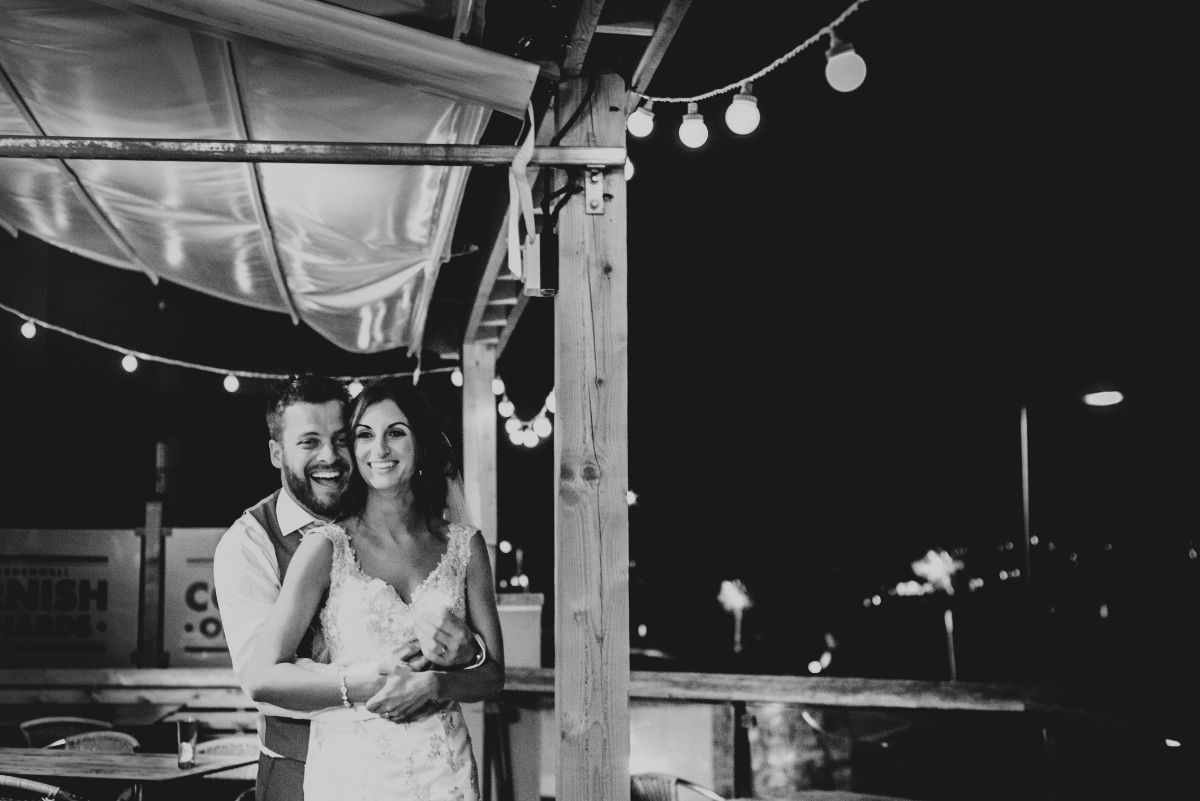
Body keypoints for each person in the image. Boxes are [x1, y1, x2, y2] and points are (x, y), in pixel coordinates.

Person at [214, 374, 484, 801]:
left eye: (342, 439)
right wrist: (370, 681)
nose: (330, 457)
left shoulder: (426, 534)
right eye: (309, 442)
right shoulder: (249, 543)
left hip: (432, 764)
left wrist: (469, 654)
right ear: (276, 452)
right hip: (303, 766)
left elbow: (475, 654)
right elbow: (260, 677)